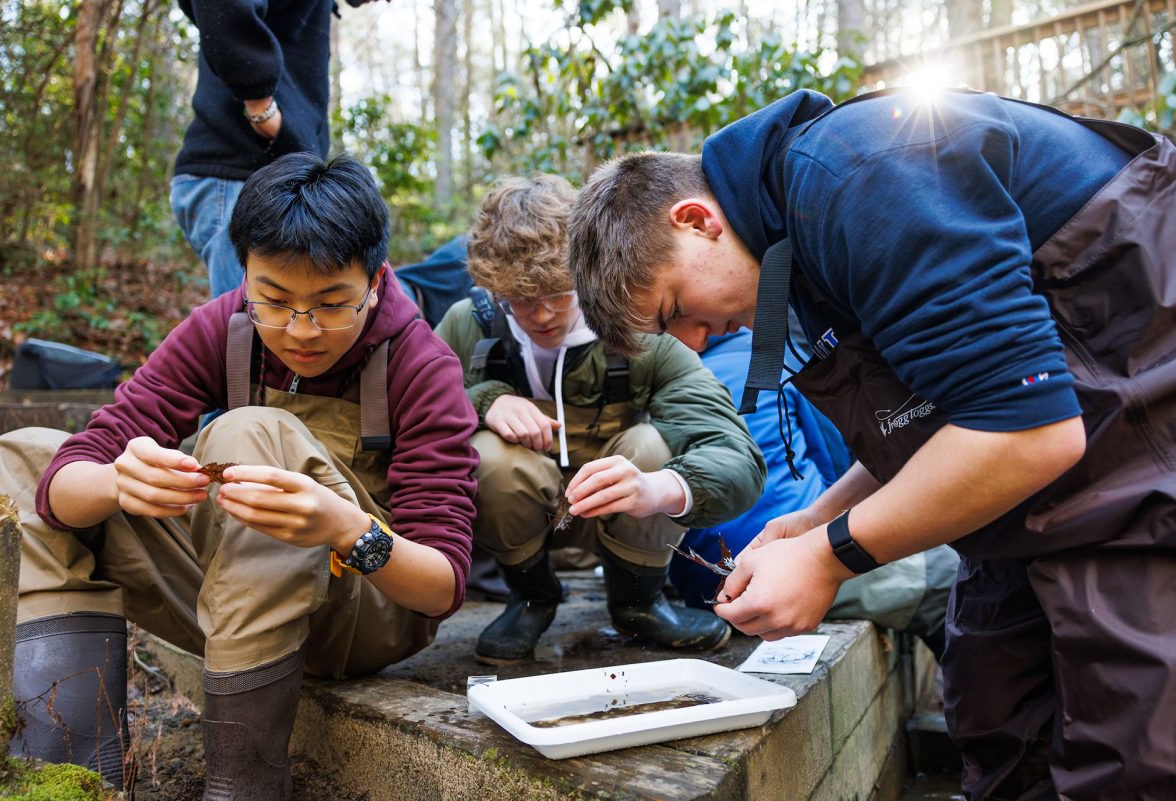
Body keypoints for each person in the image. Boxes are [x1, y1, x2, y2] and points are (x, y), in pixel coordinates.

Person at [566, 87, 1176, 800]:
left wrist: (831, 558)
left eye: (677, 310)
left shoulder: (862, 174)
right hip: (1024, 509)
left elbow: (1027, 426)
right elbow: (937, 410)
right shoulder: (785, 256)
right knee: (994, 713)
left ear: (696, 221)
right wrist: (813, 521)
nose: (695, 340)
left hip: (1133, 474)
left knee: (1129, 757)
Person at [0, 153, 478, 800]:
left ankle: (243, 788)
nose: (300, 330)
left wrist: (344, 526)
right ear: (243, 276)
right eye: (273, 300)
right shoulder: (223, 326)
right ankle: (71, 779)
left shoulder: (422, 364)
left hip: (361, 613)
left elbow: (441, 588)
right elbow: (78, 463)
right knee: (19, 457)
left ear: (376, 281)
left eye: (331, 304)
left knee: (250, 435)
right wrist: (117, 483)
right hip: (229, 590)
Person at [433, 175, 765, 665]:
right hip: (524, 518)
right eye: (521, 301)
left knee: (653, 447)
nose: (543, 315)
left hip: (625, 513)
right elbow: (415, 421)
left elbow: (738, 459)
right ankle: (531, 598)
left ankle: (639, 603)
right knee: (488, 456)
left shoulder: (639, 328)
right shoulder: (471, 323)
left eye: (559, 293)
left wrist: (661, 487)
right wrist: (481, 402)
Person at [670, 331, 958, 661]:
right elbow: (833, 454)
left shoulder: (674, 384)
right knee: (945, 579)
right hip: (787, 553)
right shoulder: (779, 362)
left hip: (703, 582)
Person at [171, 0, 380, 299]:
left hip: (257, 178)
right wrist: (262, 108)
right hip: (241, 176)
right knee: (255, 332)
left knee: (276, 329)